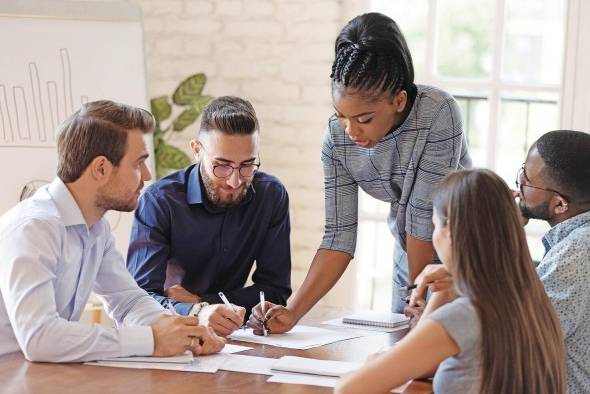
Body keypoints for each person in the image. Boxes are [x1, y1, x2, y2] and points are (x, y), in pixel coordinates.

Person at [248, 12, 470, 334]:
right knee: (405, 355)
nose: (351, 129)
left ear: (399, 100)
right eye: (341, 115)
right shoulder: (336, 139)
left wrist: (418, 301)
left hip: (464, 252)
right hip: (409, 253)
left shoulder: (438, 112)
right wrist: (293, 313)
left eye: (364, 119)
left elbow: (423, 221)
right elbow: (339, 236)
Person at [0, 100, 225, 362]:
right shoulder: (35, 228)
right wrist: (151, 340)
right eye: (138, 163)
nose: (147, 175)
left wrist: (184, 332)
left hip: (41, 376)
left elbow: (128, 301)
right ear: (101, 168)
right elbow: (40, 338)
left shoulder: (95, 228)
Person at [335, 169, 566, 394]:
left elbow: (349, 388)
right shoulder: (534, 305)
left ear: (452, 230)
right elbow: (422, 364)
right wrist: (444, 291)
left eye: (435, 225)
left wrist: (375, 362)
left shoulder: (466, 315)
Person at [127, 96, 291, 337]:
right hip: (170, 335)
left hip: (237, 339)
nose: (234, 181)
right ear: (196, 150)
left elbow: (275, 289)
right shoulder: (160, 201)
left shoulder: (271, 195)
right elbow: (139, 299)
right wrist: (197, 311)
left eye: (247, 165)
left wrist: (202, 302)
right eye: (221, 165)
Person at [515, 130, 590, 393]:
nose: (518, 183)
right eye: (523, 170)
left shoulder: (577, 252)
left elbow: (518, 340)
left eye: (527, 180)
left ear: (560, 204)